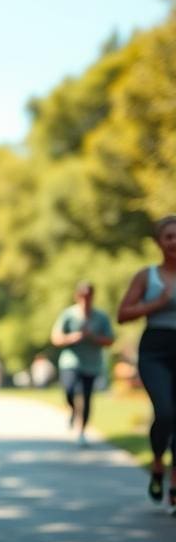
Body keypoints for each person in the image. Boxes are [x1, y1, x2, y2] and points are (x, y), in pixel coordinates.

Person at [117, 215, 176, 511]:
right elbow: (123, 313)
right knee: (165, 412)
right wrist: (156, 304)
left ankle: (174, 485)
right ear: (159, 242)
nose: (174, 242)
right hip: (155, 350)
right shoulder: (147, 276)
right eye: (169, 236)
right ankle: (156, 463)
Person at [50, 281, 114, 447]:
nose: (85, 299)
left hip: (92, 363)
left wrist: (92, 337)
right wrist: (74, 337)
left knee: (87, 397)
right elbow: (55, 338)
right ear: (77, 296)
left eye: (89, 296)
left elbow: (110, 340)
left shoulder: (101, 317)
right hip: (71, 361)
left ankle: (82, 432)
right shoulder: (68, 315)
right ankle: (72, 410)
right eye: (82, 296)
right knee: (69, 390)